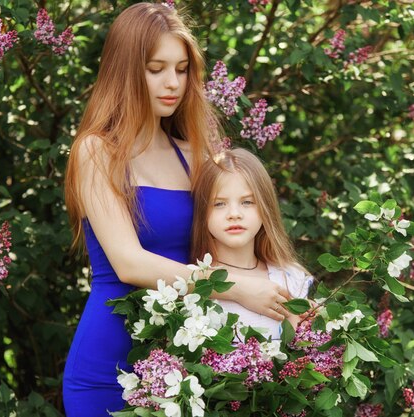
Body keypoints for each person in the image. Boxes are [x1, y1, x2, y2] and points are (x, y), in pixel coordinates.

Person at [62, 3, 291, 416]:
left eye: (181, 69)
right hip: (107, 366)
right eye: (156, 68)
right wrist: (238, 289)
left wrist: (291, 293)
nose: (172, 83)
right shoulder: (95, 152)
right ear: (126, 70)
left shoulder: (197, 156)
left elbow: (241, 234)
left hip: (185, 367)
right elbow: (129, 264)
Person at [191, 148, 313, 340]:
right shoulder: (194, 283)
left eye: (247, 202)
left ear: (265, 207)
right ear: (202, 212)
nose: (234, 213)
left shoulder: (289, 277)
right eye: (219, 204)